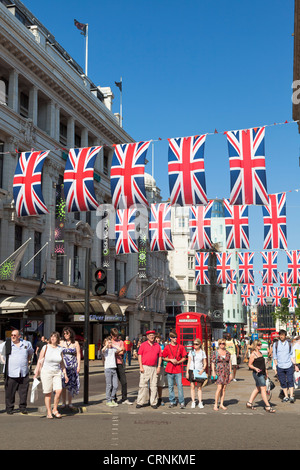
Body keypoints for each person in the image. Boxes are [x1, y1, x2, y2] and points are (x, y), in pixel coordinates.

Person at [34, 331, 69, 419]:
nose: (53, 338)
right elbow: (39, 360)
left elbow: (62, 363)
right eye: (51, 336)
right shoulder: (45, 347)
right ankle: (49, 412)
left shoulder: (59, 349)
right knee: (48, 393)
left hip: (57, 372)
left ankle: (55, 409)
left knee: (59, 391)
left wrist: (65, 374)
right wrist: (36, 372)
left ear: (58, 339)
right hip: (46, 372)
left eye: (55, 337)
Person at [0, 330, 34, 415]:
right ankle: (9, 408)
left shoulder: (27, 344)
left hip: (23, 372)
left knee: (23, 392)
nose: (13, 336)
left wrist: (28, 360)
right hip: (11, 372)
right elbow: (1, 352)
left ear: (19, 336)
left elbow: (30, 353)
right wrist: (3, 360)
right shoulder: (7, 344)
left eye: (15, 335)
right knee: (10, 392)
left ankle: (23, 407)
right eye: (11, 335)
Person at [136, 330, 162, 409]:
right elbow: (139, 355)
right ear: (147, 337)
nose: (152, 337)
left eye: (153, 335)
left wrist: (159, 366)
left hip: (154, 367)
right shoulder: (143, 345)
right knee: (142, 385)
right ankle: (140, 402)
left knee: (154, 386)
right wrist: (141, 366)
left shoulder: (157, 345)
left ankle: (153, 402)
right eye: (150, 335)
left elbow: (160, 356)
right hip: (145, 366)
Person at [247, 340, 275, 413]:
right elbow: (249, 364)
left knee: (258, 388)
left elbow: (264, 365)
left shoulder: (260, 353)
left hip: (262, 373)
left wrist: (266, 373)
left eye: (260, 344)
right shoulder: (253, 354)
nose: (260, 346)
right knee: (263, 388)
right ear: (255, 345)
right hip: (257, 374)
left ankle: (249, 403)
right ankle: (267, 406)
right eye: (259, 345)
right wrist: (255, 368)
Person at [162, 332, 187, 409]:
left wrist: (178, 361)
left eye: (176, 337)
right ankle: (172, 401)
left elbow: (184, 357)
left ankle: (181, 402)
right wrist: (170, 360)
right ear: (171, 338)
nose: (175, 339)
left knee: (180, 386)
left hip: (178, 369)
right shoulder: (167, 347)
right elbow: (163, 357)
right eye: (174, 337)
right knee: (170, 386)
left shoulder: (181, 347)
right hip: (169, 369)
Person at [60, 327, 81, 409]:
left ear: (70, 334)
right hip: (63, 365)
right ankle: (63, 402)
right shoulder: (61, 342)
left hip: (72, 365)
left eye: (67, 333)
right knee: (63, 385)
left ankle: (70, 403)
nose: (65, 335)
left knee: (71, 385)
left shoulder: (75, 343)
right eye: (64, 333)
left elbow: (78, 354)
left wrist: (79, 366)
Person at [110, 328, 132, 405]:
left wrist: (116, 352)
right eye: (114, 336)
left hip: (119, 363)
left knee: (124, 381)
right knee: (113, 383)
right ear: (111, 335)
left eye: (117, 336)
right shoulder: (109, 342)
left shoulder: (121, 342)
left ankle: (124, 398)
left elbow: (123, 351)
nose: (116, 337)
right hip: (112, 364)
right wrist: (118, 351)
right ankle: (113, 398)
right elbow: (109, 353)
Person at [272, 329, 295, 403]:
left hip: (289, 365)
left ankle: (291, 396)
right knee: (282, 382)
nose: (281, 336)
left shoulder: (289, 344)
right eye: (280, 335)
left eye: (283, 335)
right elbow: (274, 356)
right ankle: (286, 396)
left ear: (285, 336)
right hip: (280, 366)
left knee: (290, 380)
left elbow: (291, 354)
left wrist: (294, 364)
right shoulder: (276, 344)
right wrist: (276, 365)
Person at [211, 338, 232, 411]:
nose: (222, 345)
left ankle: (221, 404)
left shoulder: (228, 353)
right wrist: (213, 371)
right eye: (220, 343)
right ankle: (215, 404)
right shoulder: (215, 352)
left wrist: (231, 373)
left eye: (223, 343)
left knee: (224, 389)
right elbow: (213, 362)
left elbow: (229, 363)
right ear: (218, 344)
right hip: (219, 372)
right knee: (219, 388)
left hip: (226, 372)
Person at [186, 338, 207, 409]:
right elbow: (188, 362)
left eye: (196, 344)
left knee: (199, 387)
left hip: (199, 371)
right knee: (192, 387)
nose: (195, 345)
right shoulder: (191, 352)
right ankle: (193, 401)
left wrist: (203, 370)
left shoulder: (202, 352)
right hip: (192, 370)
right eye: (194, 344)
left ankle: (200, 402)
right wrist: (187, 372)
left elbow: (205, 363)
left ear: (200, 345)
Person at [102, 336, 122, 407]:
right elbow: (103, 350)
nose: (110, 343)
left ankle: (113, 398)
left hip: (114, 368)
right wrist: (106, 345)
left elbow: (120, 349)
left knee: (115, 385)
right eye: (108, 342)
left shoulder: (113, 349)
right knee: (109, 385)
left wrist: (113, 345)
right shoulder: (106, 350)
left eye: (110, 342)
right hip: (108, 369)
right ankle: (108, 400)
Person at [155, 334, 166, 406]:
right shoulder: (153, 346)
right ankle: (152, 398)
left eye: (159, 338)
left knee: (160, 383)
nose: (158, 340)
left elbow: (164, 353)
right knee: (153, 384)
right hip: (153, 365)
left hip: (161, 366)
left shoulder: (162, 346)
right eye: (157, 338)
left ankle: (160, 397)